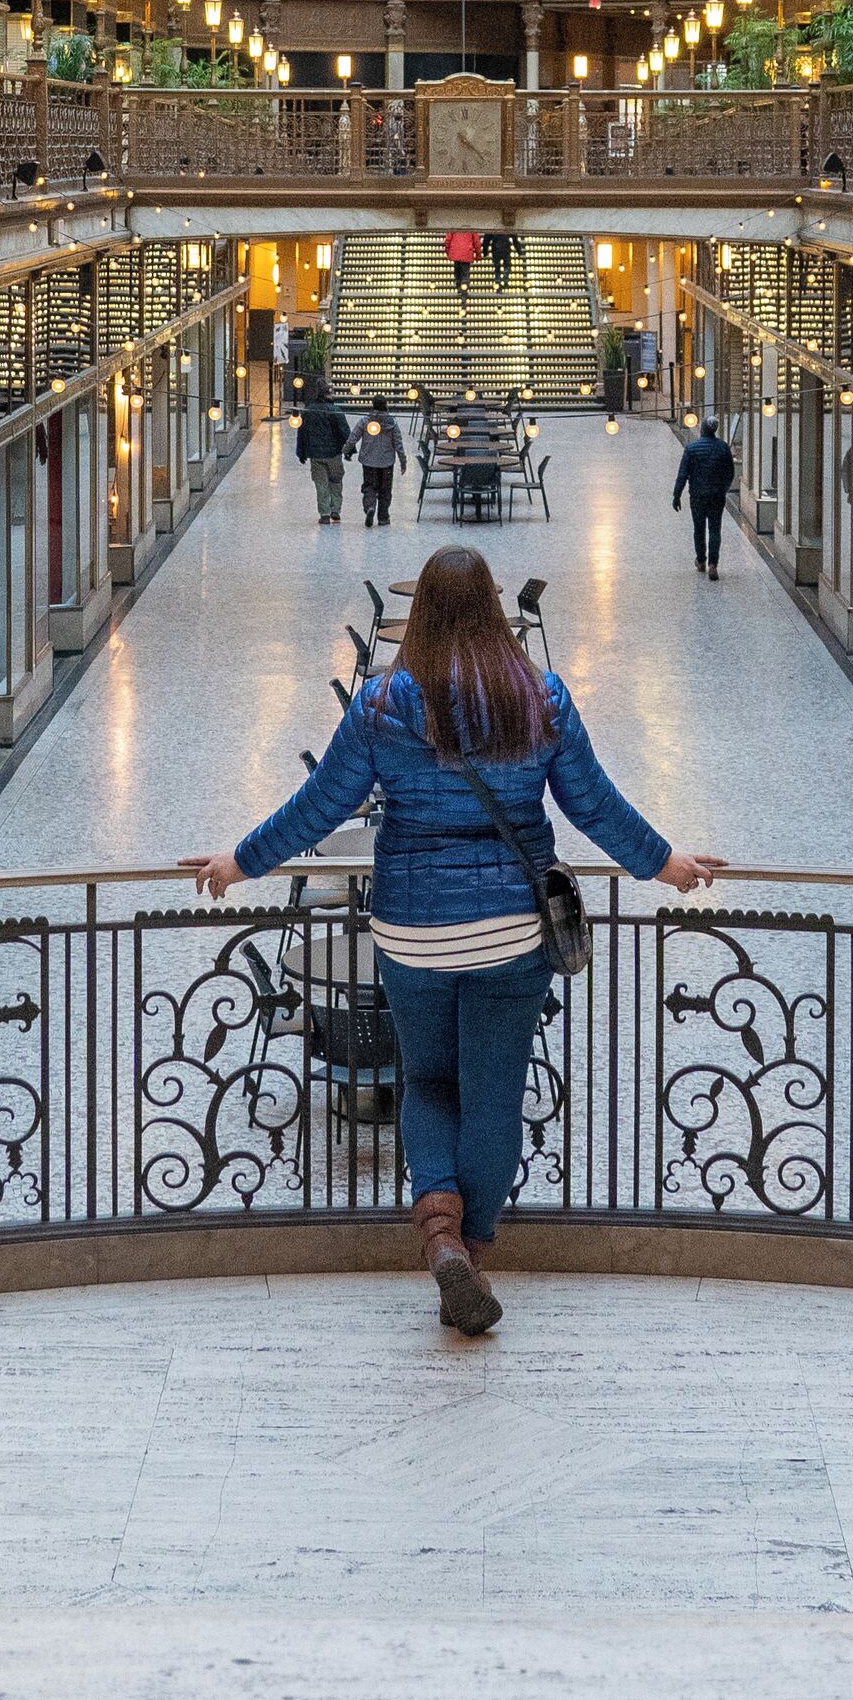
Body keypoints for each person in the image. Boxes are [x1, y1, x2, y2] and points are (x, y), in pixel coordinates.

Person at [190, 549, 721, 1333]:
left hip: (412, 930)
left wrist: (240, 861)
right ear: (496, 611)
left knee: (428, 1081)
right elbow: (594, 806)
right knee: (494, 1093)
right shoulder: (539, 697)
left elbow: (319, 807)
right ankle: (471, 1250)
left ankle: (437, 1227)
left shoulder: (379, 706)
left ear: (425, 614)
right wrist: (664, 864)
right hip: (512, 930)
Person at [671, 415, 737, 577]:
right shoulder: (723, 448)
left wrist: (676, 495)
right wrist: (724, 489)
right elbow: (730, 473)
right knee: (715, 529)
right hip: (717, 496)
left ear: (702, 429)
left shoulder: (692, 449)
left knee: (699, 529)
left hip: (698, 496)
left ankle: (701, 561)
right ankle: (713, 564)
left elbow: (683, 475)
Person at [295, 386, 352, 526]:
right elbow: (344, 431)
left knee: (321, 485)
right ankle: (336, 510)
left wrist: (301, 452)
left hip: (316, 454)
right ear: (328, 395)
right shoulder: (335, 411)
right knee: (336, 482)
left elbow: (302, 433)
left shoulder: (309, 411)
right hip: (334, 454)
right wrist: (349, 450)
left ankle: (324, 514)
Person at [357, 404, 399, 528]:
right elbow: (398, 442)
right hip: (387, 462)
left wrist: (347, 450)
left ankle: (370, 506)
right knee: (385, 489)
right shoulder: (392, 423)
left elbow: (354, 436)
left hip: (369, 461)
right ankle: (383, 517)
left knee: (369, 485)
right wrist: (403, 460)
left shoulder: (365, 421)